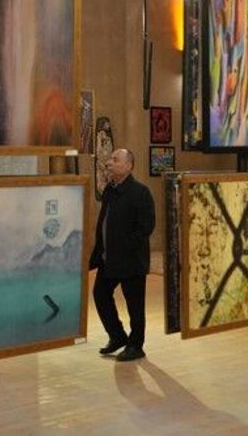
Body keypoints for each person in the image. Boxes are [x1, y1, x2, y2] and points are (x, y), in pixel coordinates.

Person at [88, 148, 155, 362]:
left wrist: (126, 246)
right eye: (110, 159)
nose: (109, 162)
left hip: (131, 261)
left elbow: (146, 227)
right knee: (100, 294)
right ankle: (117, 336)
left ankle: (136, 346)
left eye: (115, 160)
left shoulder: (140, 192)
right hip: (109, 259)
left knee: (135, 306)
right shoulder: (110, 190)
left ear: (128, 166)